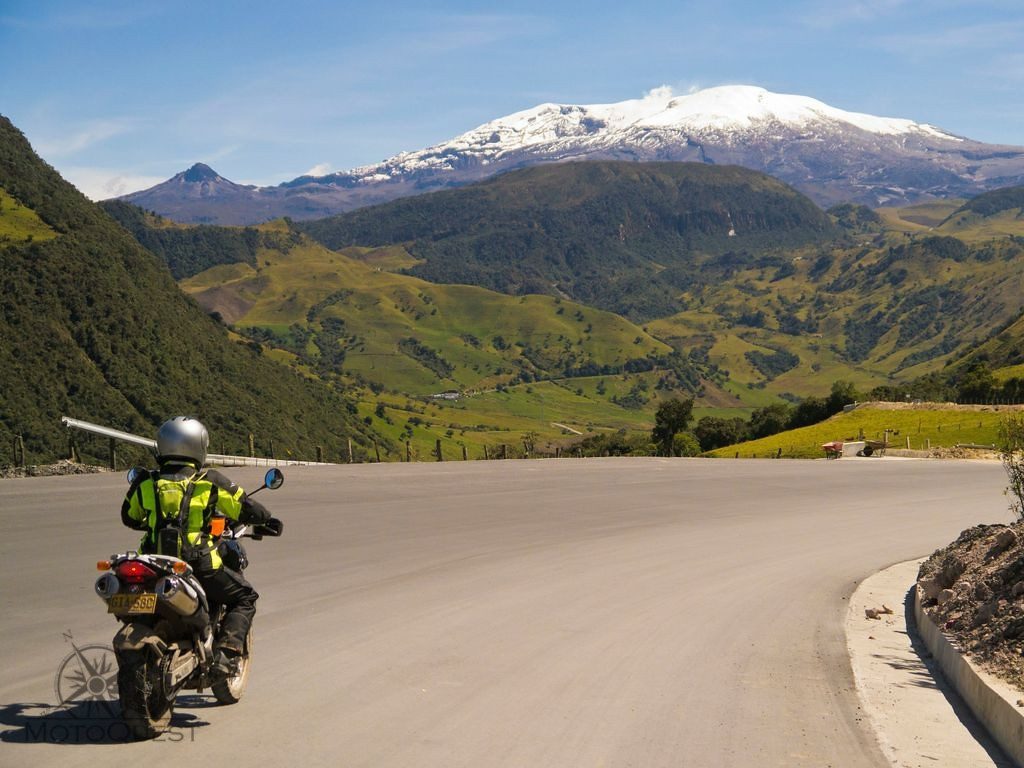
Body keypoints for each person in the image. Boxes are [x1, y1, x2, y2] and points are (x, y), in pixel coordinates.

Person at [121, 416, 281, 675]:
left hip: (152, 564)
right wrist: (264, 517)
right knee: (245, 597)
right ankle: (227, 653)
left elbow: (129, 517)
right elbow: (250, 509)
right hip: (197, 566)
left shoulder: (145, 482)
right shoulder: (210, 481)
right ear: (198, 446)